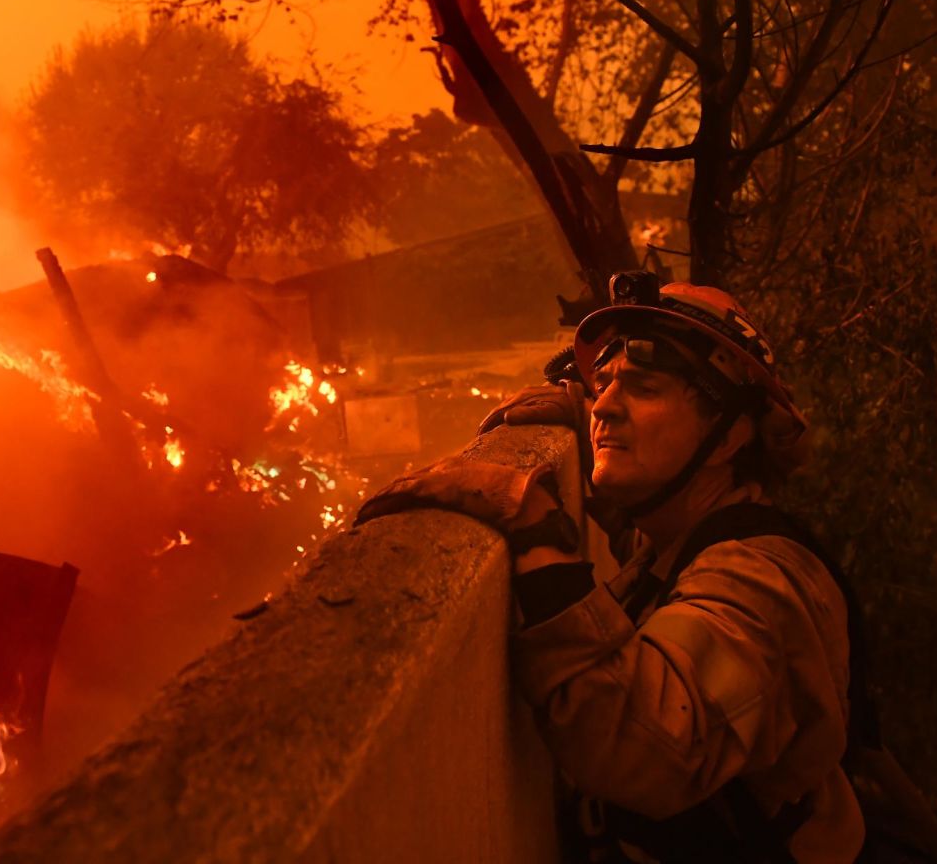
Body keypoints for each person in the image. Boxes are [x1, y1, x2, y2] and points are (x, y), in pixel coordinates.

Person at [358, 271, 864, 862]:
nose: (606, 407)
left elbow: (644, 745)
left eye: (643, 388)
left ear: (730, 438)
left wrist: (533, 525)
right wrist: (581, 415)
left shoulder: (763, 584)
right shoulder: (680, 540)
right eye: (603, 386)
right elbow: (635, 543)